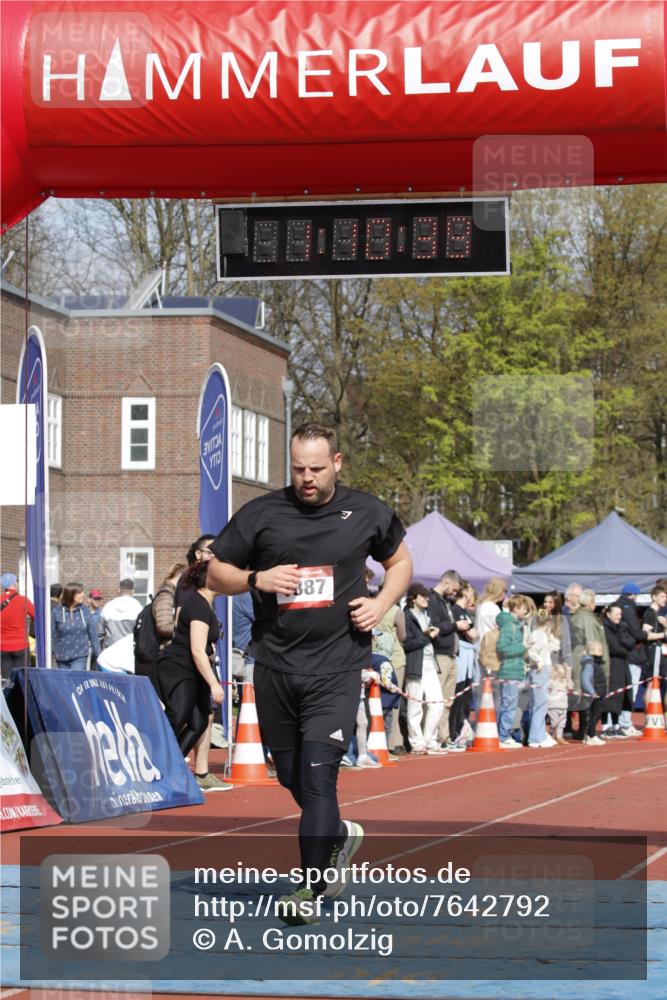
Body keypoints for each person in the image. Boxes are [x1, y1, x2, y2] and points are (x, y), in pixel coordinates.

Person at [206, 421, 412, 924]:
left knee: (320, 779)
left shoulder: (367, 511)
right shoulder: (261, 514)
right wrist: (256, 577)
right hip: (276, 667)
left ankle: (310, 890)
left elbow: (401, 562)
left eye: (317, 469)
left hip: (337, 667)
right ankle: (338, 838)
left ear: (337, 463)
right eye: (298, 469)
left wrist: (381, 602)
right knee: (295, 777)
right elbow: (211, 571)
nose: (307, 478)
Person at [157, 559, 232, 792]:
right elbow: (197, 651)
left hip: (192, 670)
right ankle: (158, 768)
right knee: (177, 717)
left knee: (199, 721)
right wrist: (215, 684)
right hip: (178, 669)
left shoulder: (206, 604)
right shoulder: (198, 604)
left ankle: (172, 767)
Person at [403, 582, 446, 756]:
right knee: (415, 706)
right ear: (414, 598)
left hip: (430, 664)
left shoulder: (428, 615)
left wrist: (432, 635)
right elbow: (407, 643)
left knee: (437, 703)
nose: (427, 598)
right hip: (415, 663)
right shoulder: (406, 616)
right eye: (423, 596)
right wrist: (427, 637)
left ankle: (429, 740)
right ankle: (417, 743)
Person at [428, 569, 469, 748]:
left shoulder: (445, 601)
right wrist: (455, 625)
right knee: (438, 700)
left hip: (451, 655)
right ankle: (435, 737)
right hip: (440, 655)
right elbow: (434, 626)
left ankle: (444, 737)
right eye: (454, 589)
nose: (455, 593)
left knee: (448, 700)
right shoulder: (432, 600)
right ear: (446, 583)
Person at [496, 595, 532, 749]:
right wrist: (524, 646)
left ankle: (504, 734)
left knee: (509, 704)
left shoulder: (514, 624)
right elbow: (502, 647)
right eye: (524, 608)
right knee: (509, 704)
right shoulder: (510, 626)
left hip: (514, 669)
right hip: (510, 670)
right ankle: (503, 736)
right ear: (516, 608)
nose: (526, 611)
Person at [614, 583, 647, 736]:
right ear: (634, 595)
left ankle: (614, 724)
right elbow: (636, 631)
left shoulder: (615, 606)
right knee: (630, 690)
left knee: (618, 689)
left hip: (617, 653)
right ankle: (625, 723)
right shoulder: (629, 608)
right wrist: (645, 634)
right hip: (631, 653)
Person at [525, 610, 561, 748]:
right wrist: (539, 661)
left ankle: (538, 735)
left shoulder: (544, 634)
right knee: (540, 704)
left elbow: (556, 647)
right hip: (540, 670)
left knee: (540, 704)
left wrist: (550, 636)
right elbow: (532, 651)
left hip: (544, 669)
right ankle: (536, 737)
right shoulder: (537, 634)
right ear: (547, 622)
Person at [601, 604, 636, 737]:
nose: (619, 617)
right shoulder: (605, 628)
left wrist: (623, 645)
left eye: (620, 614)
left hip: (621, 665)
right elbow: (613, 647)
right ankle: (605, 726)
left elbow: (631, 641)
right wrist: (625, 648)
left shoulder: (622, 627)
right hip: (610, 665)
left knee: (619, 697)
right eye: (616, 614)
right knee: (608, 696)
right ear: (609, 614)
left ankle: (616, 725)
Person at [51, 582, 101, 669]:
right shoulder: (56, 612)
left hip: (80, 655)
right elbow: (52, 634)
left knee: (75, 680)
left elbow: (93, 635)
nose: (83, 594)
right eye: (80, 592)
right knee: (64, 682)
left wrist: (99, 656)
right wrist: (53, 653)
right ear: (71, 594)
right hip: (61, 657)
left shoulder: (85, 611)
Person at [1, 573, 35, 686]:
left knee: (6, 681)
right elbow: (36, 615)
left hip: (3, 646)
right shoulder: (22, 600)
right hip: (21, 646)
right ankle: (20, 703)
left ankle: (7, 703)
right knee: (22, 680)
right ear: (15, 584)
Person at [642, 584, 667, 706]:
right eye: (662, 596)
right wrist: (664, 635)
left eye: (666, 597)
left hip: (661, 651)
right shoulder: (650, 613)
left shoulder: (658, 614)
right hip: (654, 650)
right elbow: (646, 635)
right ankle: (649, 719)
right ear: (654, 597)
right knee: (653, 683)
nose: (665, 599)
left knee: (658, 682)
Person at [99, 579, 143, 648]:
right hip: (130, 649)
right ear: (133, 591)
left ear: (119, 590)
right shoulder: (138, 608)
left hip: (111, 649)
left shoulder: (108, 607)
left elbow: (100, 632)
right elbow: (142, 632)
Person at [547, 662, 573, 745]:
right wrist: (552, 677)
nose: (562, 675)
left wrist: (569, 677)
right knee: (554, 722)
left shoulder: (565, 681)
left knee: (562, 723)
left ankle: (559, 736)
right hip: (553, 705)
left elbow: (571, 687)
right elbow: (547, 685)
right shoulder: (553, 681)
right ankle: (551, 735)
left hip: (563, 706)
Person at [87, 589, 105, 669]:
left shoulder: (102, 613)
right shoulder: (84, 612)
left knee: (94, 670)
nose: (98, 601)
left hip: (97, 645)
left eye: (99, 599)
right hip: (84, 646)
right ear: (89, 599)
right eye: (95, 599)